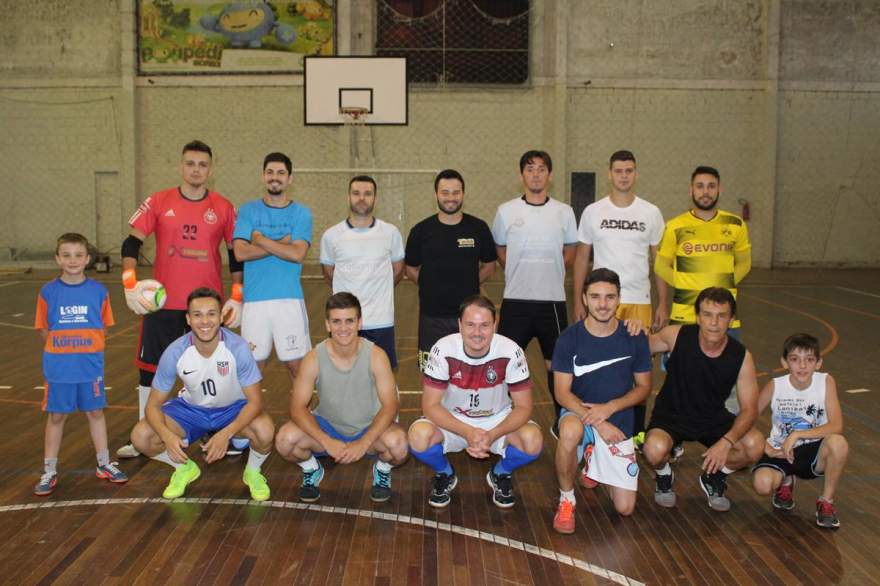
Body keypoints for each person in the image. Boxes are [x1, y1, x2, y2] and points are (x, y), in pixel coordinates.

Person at [118, 140, 242, 458]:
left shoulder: (224, 207)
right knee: (150, 370)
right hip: (162, 305)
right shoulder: (158, 201)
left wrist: (237, 296)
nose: (196, 170)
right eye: (190, 163)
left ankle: (214, 432)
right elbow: (130, 243)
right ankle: (143, 431)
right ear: (181, 166)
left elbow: (235, 255)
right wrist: (130, 282)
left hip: (205, 309)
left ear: (210, 169)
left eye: (202, 164)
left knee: (213, 369)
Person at [130, 288, 274, 501]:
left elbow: (255, 402)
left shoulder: (238, 348)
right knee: (141, 436)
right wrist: (167, 436)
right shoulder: (175, 352)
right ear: (188, 319)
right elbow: (152, 406)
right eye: (197, 315)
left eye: (211, 313)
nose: (204, 321)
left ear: (221, 316)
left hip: (232, 409)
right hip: (191, 411)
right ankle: (183, 468)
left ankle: (252, 472)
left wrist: (225, 434)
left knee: (265, 430)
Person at [408, 295, 543, 509]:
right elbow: (430, 405)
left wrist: (491, 434)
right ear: (459, 325)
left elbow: (524, 407)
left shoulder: (511, 351)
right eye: (470, 325)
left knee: (533, 441)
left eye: (484, 325)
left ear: (495, 325)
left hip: (497, 419)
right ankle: (445, 473)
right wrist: (468, 432)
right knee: (418, 437)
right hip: (452, 420)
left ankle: (501, 473)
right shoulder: (442, 349)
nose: (477, 333)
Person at [275, 292, 408, 503]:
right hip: (329, 427)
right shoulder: (313, 358)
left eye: (349, 321)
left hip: (368, 427)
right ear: (327, 324)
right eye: (336, 321)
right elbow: (297, 408)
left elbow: (391, 405)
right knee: (284, 440)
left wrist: (364, 442)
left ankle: (382, 470)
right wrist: (327, 441)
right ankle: (311, 469)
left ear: (359, 322)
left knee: (399, 446)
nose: (343, 328)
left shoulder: (376, 355)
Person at [571, 150, 666, 444]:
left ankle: (635, 436)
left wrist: (663, 302)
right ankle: (593, 430)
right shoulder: (593, 212)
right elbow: (581, 258)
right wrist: (577, 300)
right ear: (610, 173)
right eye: (618, 170)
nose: (624, 175)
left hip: (639, 301)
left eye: (629, 170)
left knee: (638, 371)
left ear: (635, 174)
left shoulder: (650, 213)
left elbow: (659, 261)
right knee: (600, 365)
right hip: (601, 301)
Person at [643, 287, 764, 512]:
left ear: (731, 319)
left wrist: (726, 442)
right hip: (671, 415)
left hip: (712, 418)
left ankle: (714, 477)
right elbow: (640, 346)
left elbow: (749, 410)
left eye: (721, 316)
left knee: (755, 446)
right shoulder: (676, 335)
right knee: (654, 450)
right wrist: (632, 330)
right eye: (707, 314)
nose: (714, 323)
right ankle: (663, 473)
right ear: (698, 317)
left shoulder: (742, 357)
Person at [551, 269, 652, 533]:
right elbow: (562, 394)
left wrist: (609, 409)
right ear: (584, 298)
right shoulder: (569, 338)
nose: (603, 304)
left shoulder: (635, 336)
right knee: (570, 431)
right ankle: (566, 498)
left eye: (610, 297)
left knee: (625, 508)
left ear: (619, 299)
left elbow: (643, 388)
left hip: (617, 419)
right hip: (579, 415)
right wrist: (598, 423)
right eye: (595, 297)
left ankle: (592, 459)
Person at [33, 233, 128, 495]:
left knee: (96, 413)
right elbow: (44, 330)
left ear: (87, 259)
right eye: (66, 255)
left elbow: (103, 328)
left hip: (90, 367)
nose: (72, 260)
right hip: (59, 368)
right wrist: (61, 349)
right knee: (56, 416)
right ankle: (49, 470)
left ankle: (104, 463)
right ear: (57, 259)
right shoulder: (48, 292)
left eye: (78, 255)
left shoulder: (99, 291)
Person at [491, 150, 578, 432]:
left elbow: (571, 250)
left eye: (542, 169)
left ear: (550, 175)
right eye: (530, 169)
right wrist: (518, 268)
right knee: (503, 362)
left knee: (557, 364)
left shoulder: (564, 212)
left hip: (552, 302)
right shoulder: (506, 211)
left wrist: (549, 269)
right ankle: (498, 417)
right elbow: (500, 250)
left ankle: (562, 419)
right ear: (521, 175)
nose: (536, 174)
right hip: (516, 300)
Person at [752, 333, 847, 529]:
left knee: (839, 443)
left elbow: (837, 425)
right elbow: (747, 417)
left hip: (812, 452)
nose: (802, 366)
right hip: (780, 451)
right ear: (784, 362)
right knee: (762, 485)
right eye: (795, 360)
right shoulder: (775, 386)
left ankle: (826, 502)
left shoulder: (826, 382)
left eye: (809, 360)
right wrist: (765, 445)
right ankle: (785, 483)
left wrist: (796, 434)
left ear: (819, 363)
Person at [233, 152, 313, 384]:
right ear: (263, 176)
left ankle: (302, 417)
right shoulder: (248, 211)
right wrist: (283, 243)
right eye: (270, 172)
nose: (274, 177)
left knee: (297, 367)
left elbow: (297, 254)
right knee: (252, 369)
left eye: (280, 173)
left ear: (290, 179)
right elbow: (240, 252)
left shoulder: (301, 213)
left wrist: (259, 239)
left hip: (289, 300)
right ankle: (252, 418)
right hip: (255, 301)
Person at [405, 169, 497, 370]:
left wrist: (469, 282)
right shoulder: (421, 231)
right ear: (435, 194)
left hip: (468, 319)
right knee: (430, 372)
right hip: (431, 317)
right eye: (445, 192)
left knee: (468, 373)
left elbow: (490, 266)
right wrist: (430, 284)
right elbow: (410, 268)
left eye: (456, 192)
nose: (451, 198)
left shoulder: (478, 228)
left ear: (463, 194)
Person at [320, 176, 404, 367]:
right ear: (348, 197)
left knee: (383, 374)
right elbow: (329, 274)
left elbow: (398, 271)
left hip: (381, 320)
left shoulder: (390, 233)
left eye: (368, 194)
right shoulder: (331, 235)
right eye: (356, 193)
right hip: (344, 322)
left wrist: (378, 292)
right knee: (343, 373)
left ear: (376, 198)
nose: (361, 198)